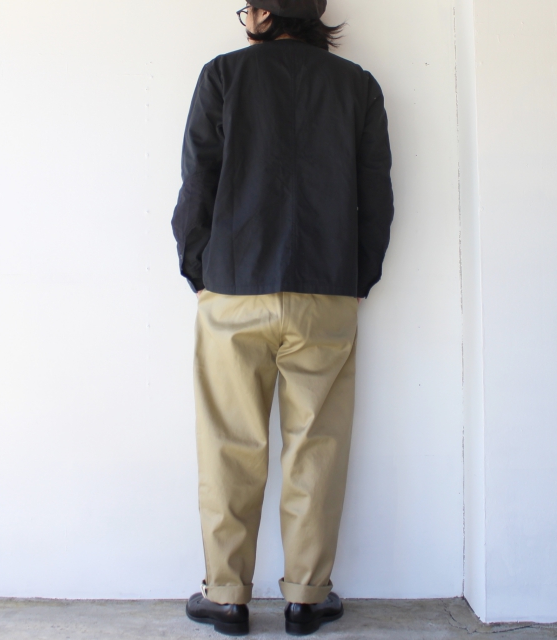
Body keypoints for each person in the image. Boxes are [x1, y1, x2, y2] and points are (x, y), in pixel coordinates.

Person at [171, 0, 394, 635]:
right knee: (316, 446)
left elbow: (198, 181)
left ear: (266, 15)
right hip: (326, 288)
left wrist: (197, 269)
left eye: (248, 7)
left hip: (234, 285)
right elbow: (376, 195)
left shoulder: (223, 75)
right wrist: (357, 279)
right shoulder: (357, 86)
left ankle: (226, 597)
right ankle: (306, 597)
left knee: (229, 445)